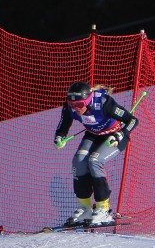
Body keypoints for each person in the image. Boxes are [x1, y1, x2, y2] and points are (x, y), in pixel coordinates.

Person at [54, 81, 139, 226]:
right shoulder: (71, 106)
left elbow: (132, 120)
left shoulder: (104, 102)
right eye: (73, 105)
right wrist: (60, 136)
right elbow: (64, 123)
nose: (76, 109)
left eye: (80, 105)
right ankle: (85, 208)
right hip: (93, 134)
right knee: (78, 161)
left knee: (94, 161)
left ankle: (103, 209)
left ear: (88, 101)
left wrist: (121, 134)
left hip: (114, 136)